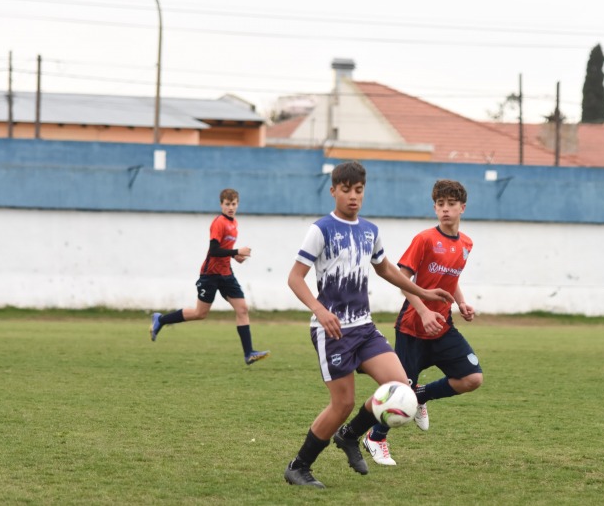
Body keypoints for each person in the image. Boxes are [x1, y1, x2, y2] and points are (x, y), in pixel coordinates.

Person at [283, 161, 454, 489]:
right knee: (343, 403)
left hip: (363, 328)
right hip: (332, 331)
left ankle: (349, 436)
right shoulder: (321, 229)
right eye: (345, 190)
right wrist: (320, 310)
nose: (352, 196)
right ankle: (298, 466)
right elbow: (295, 278)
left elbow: (387, 269)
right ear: (333, 191)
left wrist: (423, 290)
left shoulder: (369, 231)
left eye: (358, 190)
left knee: (401, 387)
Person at [362, 179, 483, 466]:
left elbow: (451, 280)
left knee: (472, 378)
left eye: (451, 204)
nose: (445, 209)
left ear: (462, 208)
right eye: (440, 204)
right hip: (413, 327)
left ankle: (421, 396)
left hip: (443, 326)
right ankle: (375, 438)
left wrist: (461, 302)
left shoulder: (466, 243)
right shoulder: (424, 239)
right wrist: (424, 311)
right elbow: (403, 281)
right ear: (435, 208)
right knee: (399, 391)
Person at [149, 188, 269, 366]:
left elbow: (224, 248)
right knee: (200, 313)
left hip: (226, 273)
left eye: (233, 204)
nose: (230, 207)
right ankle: (161, 319)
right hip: (210, 275)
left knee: (242, 309)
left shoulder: (234, 223)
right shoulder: (218, 223)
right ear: (221, 204)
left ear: (238, 204)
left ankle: (248, 353)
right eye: (227, 204)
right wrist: (236, 251)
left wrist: (235, 257)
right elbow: (214, 250)